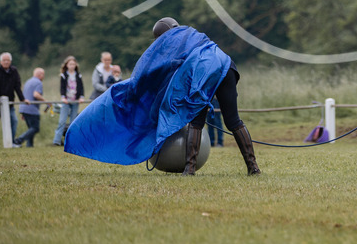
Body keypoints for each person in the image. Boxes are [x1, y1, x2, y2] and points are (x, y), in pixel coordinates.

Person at [66, 17, 261, 176]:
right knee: (233, 120)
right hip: (226, 66)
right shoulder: (190, 32)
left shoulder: (170, 43)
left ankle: (190, 169)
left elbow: (156, 70)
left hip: (203, 75)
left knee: (196, 122)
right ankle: (253, 167)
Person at [0, 52, 25, 148]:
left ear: (10, 61)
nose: (6, 62)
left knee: (14, 121)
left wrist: (22, 99)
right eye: (4, 60)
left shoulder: (14, 71)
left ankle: (12, 141)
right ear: (0, 61)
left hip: (10, 103)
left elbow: (17, 86)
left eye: (7, 60)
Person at [53, 56, 85, 146]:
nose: (72, 66)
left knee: (73, 121)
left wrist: (81, 97)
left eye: (74, 64)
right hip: (66, 101)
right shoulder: (64, 75)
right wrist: (63, 97)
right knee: (62, 121)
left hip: (75, 101)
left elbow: (81, 87)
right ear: (67, 65)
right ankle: (56, 141)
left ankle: (72, 141)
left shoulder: (78, 75)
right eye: (70, 64)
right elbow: (62, 88)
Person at [13, 68, 47, 147]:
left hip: (24, 108)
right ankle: (19, 140)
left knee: (30, 128)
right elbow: (36, 95)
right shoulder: (38, 83)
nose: (44, 76)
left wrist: (23, 112)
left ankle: (29, 145)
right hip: (32, 109)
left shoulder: (28, 82)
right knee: (35, 128)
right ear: (40, 75)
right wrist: (46, 101)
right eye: (43, 74)